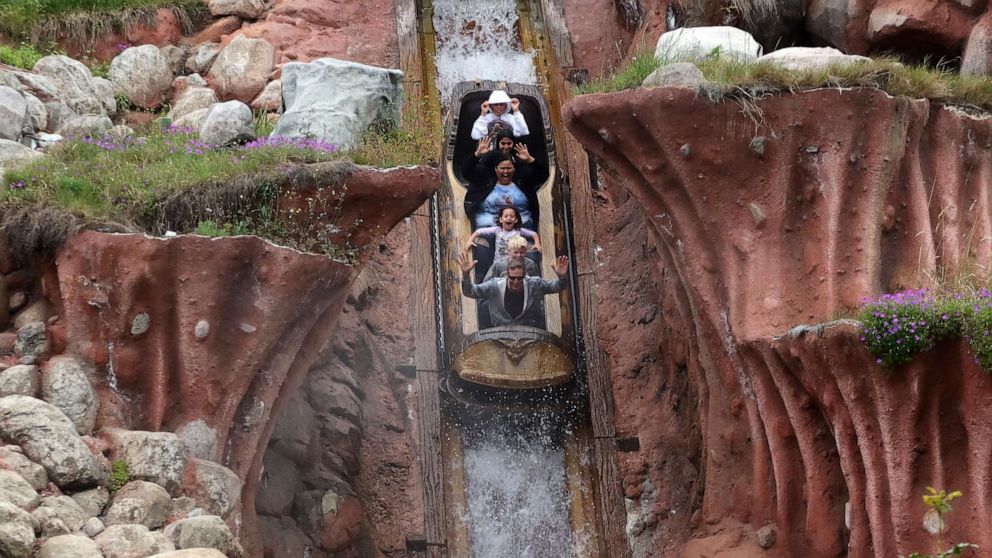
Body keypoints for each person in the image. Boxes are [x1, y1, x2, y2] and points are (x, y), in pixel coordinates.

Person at [459, 251, 569, 328]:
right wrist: (465, 275)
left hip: (527, 331)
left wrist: (562, 277)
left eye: (519, 278)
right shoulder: (494, 286)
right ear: (507, 275)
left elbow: (557, 286)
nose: (516, 282)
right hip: (499, 332)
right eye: (512, 278)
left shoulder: (534, 284)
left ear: (525, 275)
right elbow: (470, 291)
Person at [467, 155, 538, 231]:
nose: (505, 171)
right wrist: (476, 155)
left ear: (514, 169)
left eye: (509, 168)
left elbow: (543, 175)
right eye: (502, 168)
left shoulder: (523, 184)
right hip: (487, 232)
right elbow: (467, 173)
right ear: (496, 169)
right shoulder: (485, 185)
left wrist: (531, 160)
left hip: (522, 232)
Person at [463, 206, 542, 260]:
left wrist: (537, 243)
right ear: (501, 219)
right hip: (499, 263)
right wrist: (470, 240)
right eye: (506, 216)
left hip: (516, 262)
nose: (509, 218)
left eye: (512, 216)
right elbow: (479, 231)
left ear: (516, 220)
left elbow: (534, 234)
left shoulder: (519, 231)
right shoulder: (497, 230)